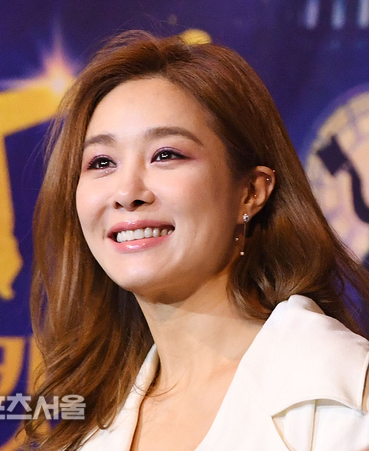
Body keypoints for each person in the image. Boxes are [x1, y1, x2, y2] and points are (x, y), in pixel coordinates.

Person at [22, 31, 369, 451]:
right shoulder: (89, 424)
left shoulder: (343, 396)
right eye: (102, 162)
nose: (127, 191)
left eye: (166, 155)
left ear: (251, 192)